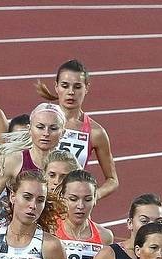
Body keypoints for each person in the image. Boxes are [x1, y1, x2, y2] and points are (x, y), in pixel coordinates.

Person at [37, 59, 119, 199]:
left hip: (72, 205)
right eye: (65, 86)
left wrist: (91, 196)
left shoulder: (95, 133)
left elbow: (112, 180)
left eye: (77, 87)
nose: (71, 92)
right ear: (56, 87)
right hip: (38, 200)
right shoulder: (40, 121)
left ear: (86, 88)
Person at [0, 103, 67, 192]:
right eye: (40, 127)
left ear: (63, 133)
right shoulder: (13, 161)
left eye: (53, 128)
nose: (46, 133)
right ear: (29, 129)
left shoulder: (69, 164)